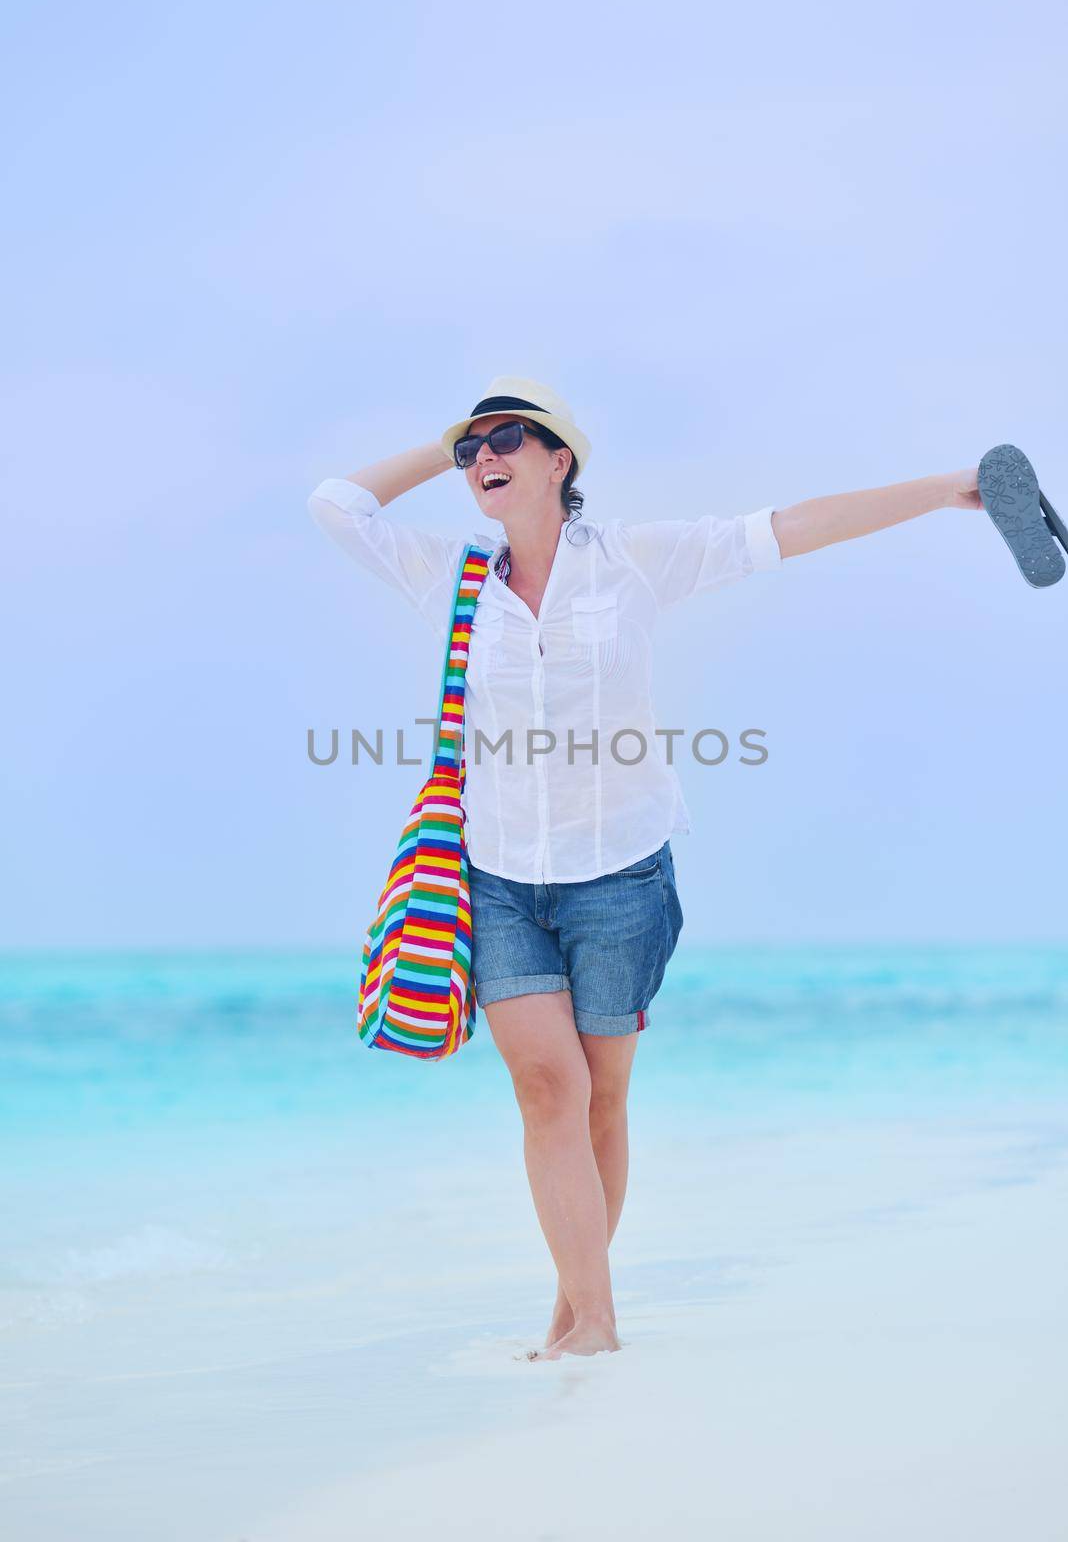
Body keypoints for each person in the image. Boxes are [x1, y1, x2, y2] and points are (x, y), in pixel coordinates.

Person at [307, 375, 982, 1363]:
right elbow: (337, 505)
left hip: (619, 875)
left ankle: (574, 1311)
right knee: (547, 1090)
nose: (483, 458)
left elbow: (792, 526)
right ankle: (599, 1324)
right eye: (472, 449)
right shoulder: (451, 575)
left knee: (603, 1098)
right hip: (495, 877)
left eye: (506, 439)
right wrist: (440, 440)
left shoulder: (632, 563)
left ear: (559, 458)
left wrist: (949, 486)